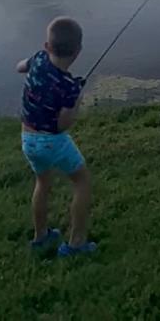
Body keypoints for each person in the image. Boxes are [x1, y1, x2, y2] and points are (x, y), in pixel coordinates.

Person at [17, 16, 97, 257]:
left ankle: (40, 236)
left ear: (47, 46)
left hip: (27, 139)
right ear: (78, 51)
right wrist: (76, 100)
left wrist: (27, 65)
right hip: (52, 141)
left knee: (42, 182)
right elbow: (63, 125)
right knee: (82, 182)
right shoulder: (69, 86)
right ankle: (76, 243)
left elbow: (20, 67)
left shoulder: (39, 59)